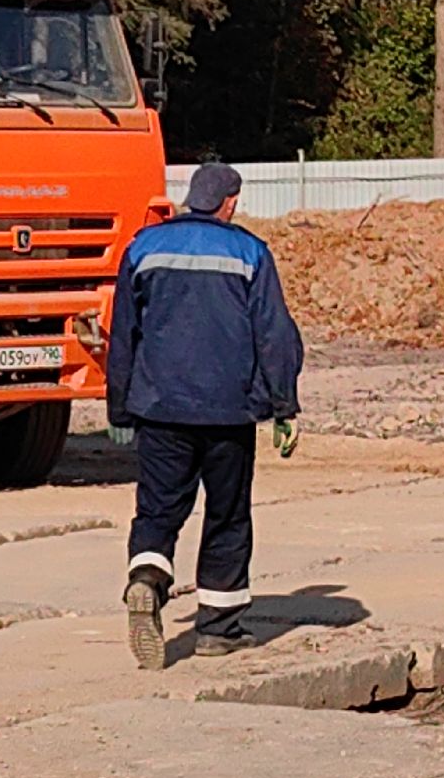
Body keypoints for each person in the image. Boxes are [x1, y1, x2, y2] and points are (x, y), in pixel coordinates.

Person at [106, 162, 304, 670]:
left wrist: (118, 406)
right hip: (228, 411)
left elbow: (123, 333)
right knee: (227, 514)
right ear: (230, 202)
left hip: (158, 408)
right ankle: (218, 628)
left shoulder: (143, 248)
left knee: (158, 510)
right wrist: (284, 405)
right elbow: (274, 335)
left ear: (190, 198)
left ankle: (147, 578)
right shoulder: (249, 252)